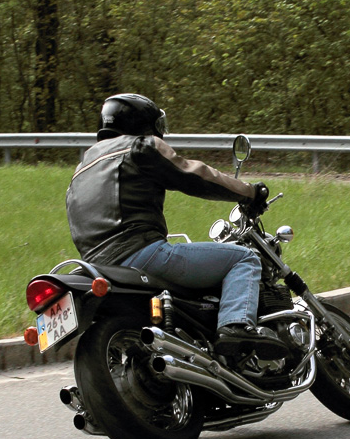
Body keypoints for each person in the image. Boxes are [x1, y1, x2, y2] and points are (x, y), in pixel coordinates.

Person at [65, 92, 279, 356]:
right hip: (142, 254)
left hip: (98, 267)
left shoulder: (80, 170)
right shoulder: (140, 146)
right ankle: (235, 327)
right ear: (144, 123)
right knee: (244, 259)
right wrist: (249, 192)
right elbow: (195, 175)